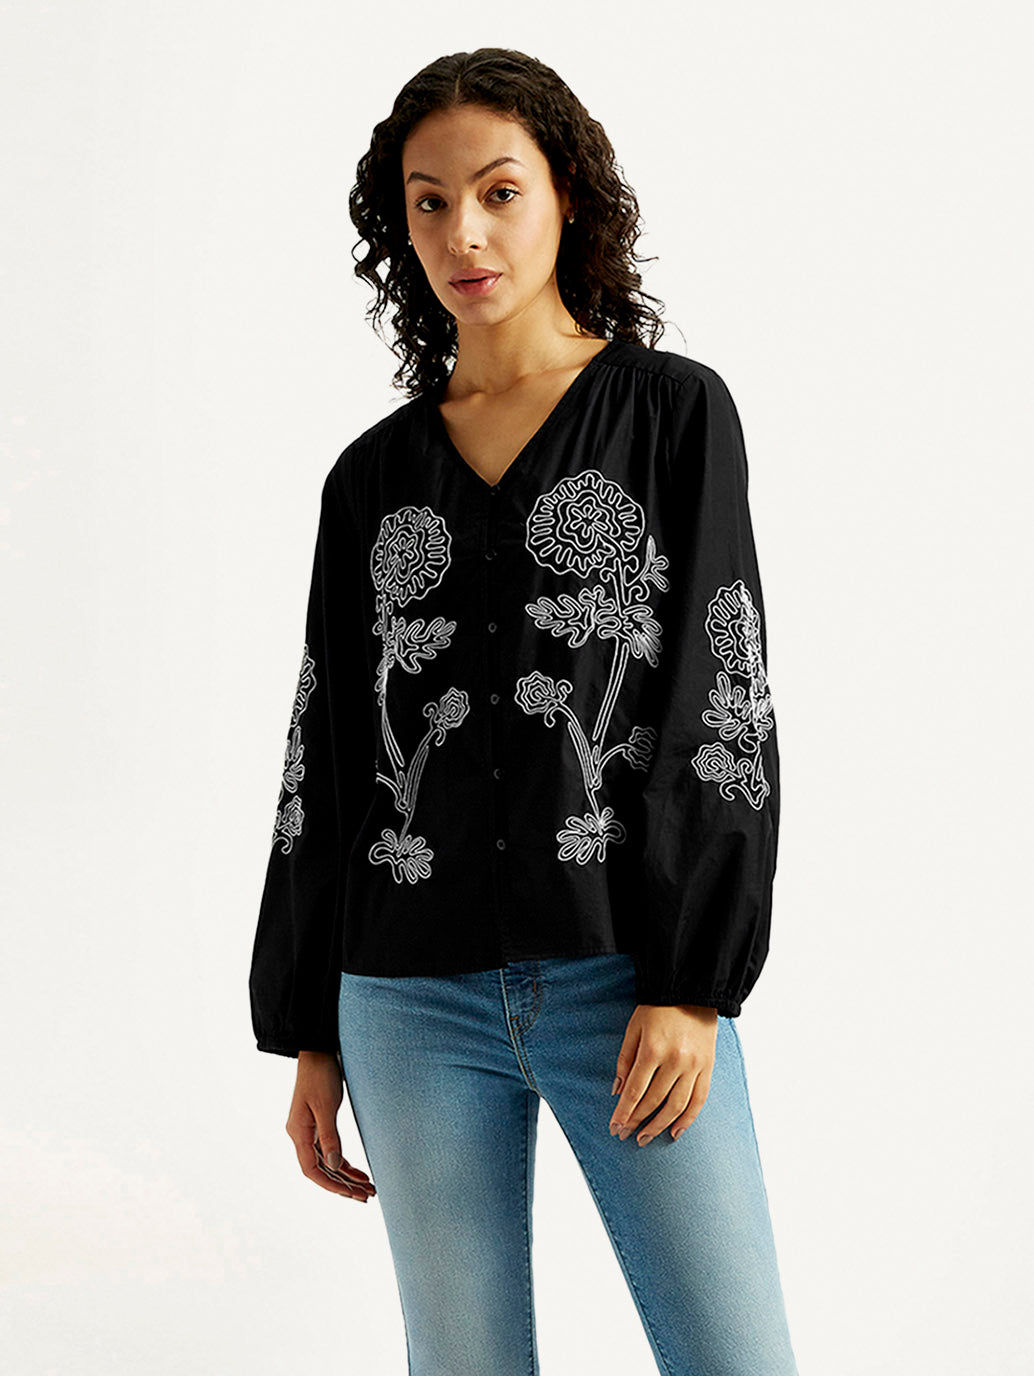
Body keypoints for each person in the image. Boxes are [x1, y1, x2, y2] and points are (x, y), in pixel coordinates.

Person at [248, 47, 800, 1376]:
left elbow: (718, 693)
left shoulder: (670, 414)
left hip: (622, 982)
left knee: (735, 1358)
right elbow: (328, 749)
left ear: (566, 199)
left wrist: (690, 984)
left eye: (498, 191)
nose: (465, 233)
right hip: (403, 1001)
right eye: (428, 203)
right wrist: (308, 1025)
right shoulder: (368, 478)